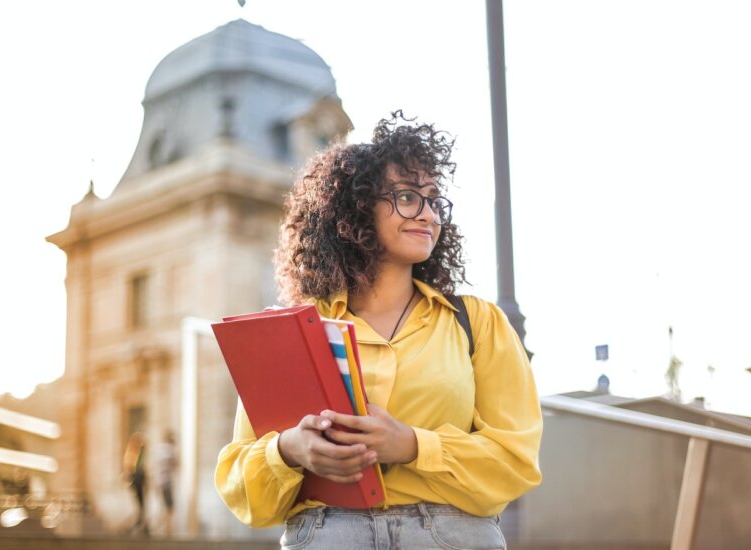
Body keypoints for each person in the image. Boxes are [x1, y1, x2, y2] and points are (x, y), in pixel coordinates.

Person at [214, 111, 542, 549]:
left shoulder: (477, 323)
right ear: (356, 209)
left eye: (433, 199)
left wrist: (410, 445)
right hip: (329, 533)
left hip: (451, 536)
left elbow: (516, 462)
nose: (427, 213)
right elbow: (242, 486)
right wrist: (290, 450)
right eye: (407, 196)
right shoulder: (294, 331)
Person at [152, 430, 178, 537]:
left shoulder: (158, 449)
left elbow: (154, 466)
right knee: (169, 507)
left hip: (158, 481)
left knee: (161, 505)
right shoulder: (170, 450)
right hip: (167, 481)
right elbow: (176, 465)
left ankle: (160, 529)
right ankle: (168, 530)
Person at [122, 432, 147, 535]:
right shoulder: (132, 453)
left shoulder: (138, 453)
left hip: (138, 479)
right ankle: (139, 521)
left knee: (141, 502)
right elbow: (130, 467)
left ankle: (140, 521)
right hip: (136, 479)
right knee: (139, 502)